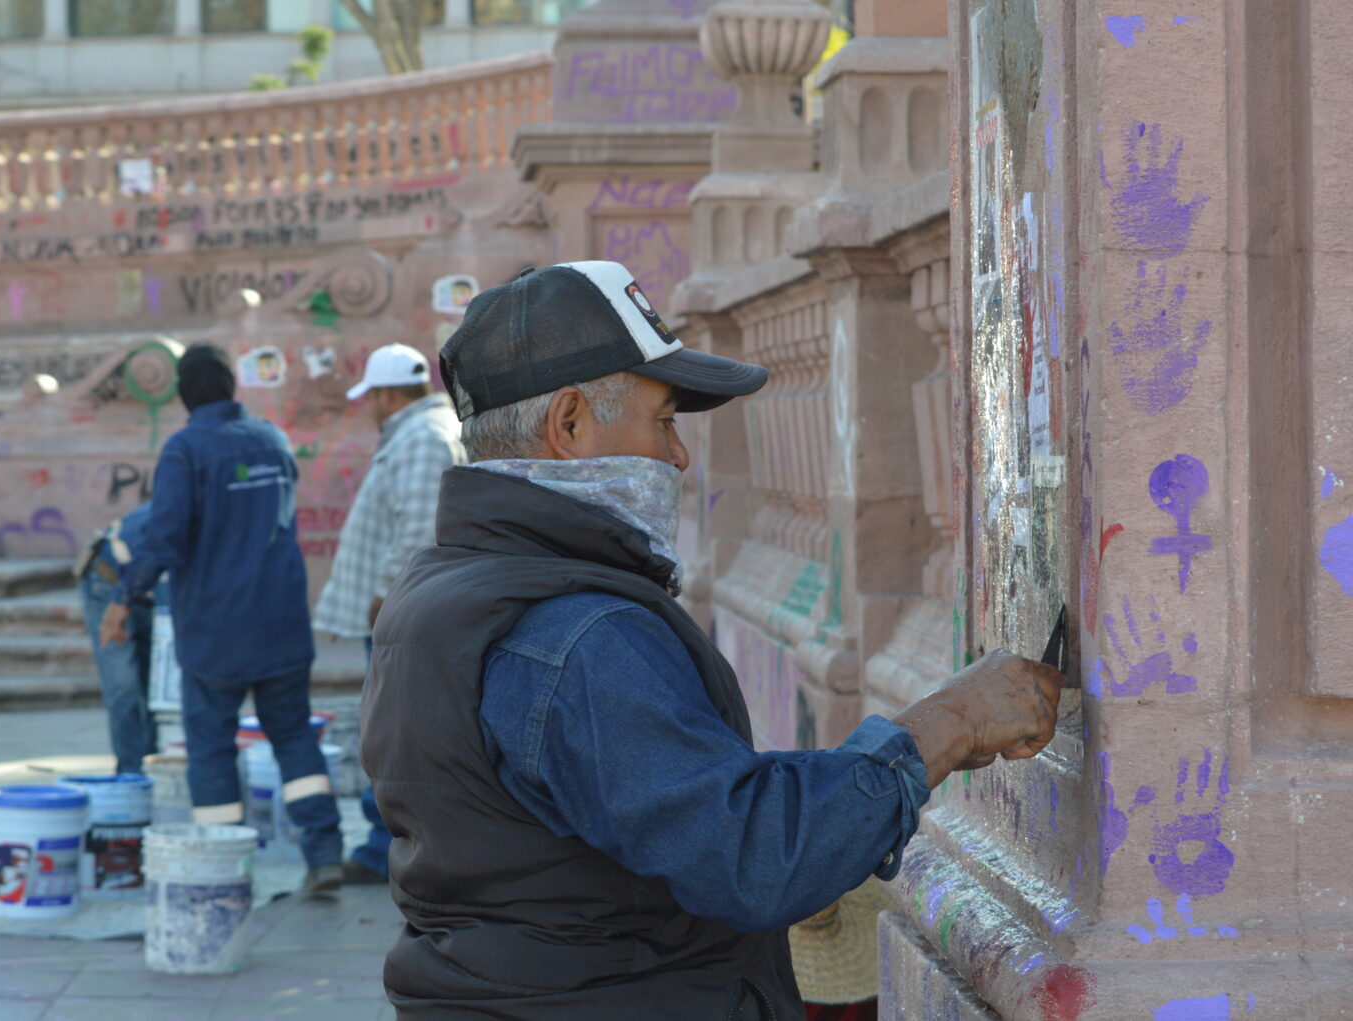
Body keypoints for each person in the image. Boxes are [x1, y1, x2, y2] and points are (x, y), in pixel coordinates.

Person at [361, 261, 1066, 1017]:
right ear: (569, 424)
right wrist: (950, 722)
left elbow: (658, 806)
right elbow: (755, 857)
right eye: (663, 420)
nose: (679, 455)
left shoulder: (444, 591)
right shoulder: (577, 634)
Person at [100, 343, 345, 894]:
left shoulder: (185, 449)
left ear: (184, 394)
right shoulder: (272, 439)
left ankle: (227, 869)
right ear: (232, 387)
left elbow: (163, 539)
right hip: (282, 622)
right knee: (293, 739)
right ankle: (325, 853)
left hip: (217, 631)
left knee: (210, 746)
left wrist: (121, 600)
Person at [313, 342, 466, 884]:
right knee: (401, 731)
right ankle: (395, 843)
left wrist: (386, 596)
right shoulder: (421, 432)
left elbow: (420, 528)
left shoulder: (423, 437)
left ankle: (387, 848)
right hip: (405, 611)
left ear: (385, 393)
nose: (370, 407)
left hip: (400, 614)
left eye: (371, 397)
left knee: (395, 736)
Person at [74, 503, 158, 775]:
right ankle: (131, 775)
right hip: (108, 580)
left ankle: (157, 766)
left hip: (150, 589)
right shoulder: (181, 514)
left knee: (159, 683)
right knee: (124, 684)